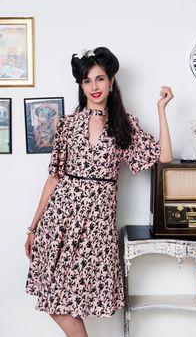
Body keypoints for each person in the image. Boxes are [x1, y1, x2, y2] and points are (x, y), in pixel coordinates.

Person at [25, 47, 173, 337]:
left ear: (112, 81)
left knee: (77, 299)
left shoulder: (124, 126)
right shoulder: (67, 125)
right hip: (61, 221)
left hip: (97, 228)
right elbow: (54, 178)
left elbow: (164, 157)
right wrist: (33, 226)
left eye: (100, 79)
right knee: (55, 301)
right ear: (81, 86)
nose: (94, 87)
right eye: (87, 81)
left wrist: (161, 110)